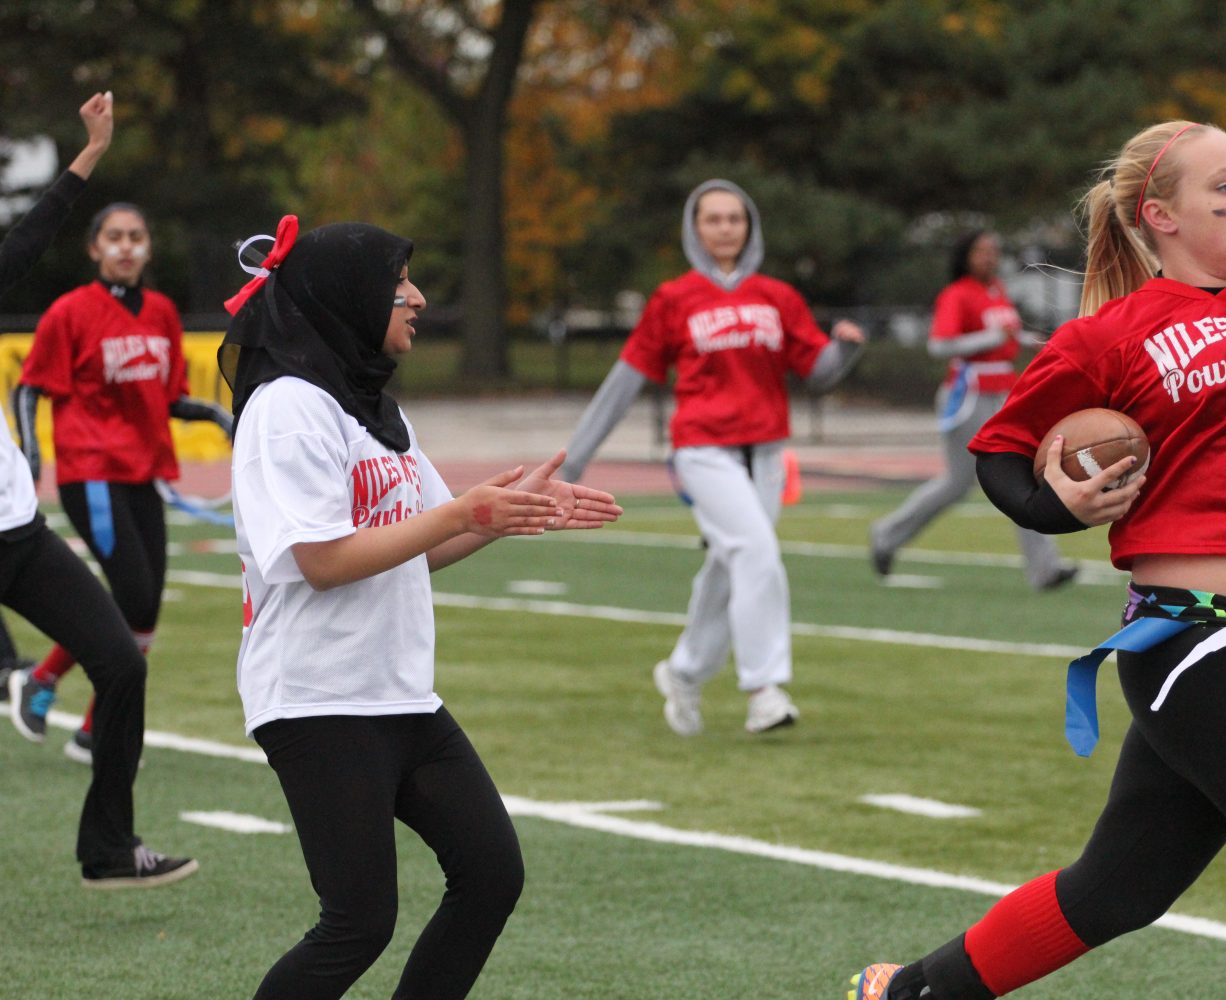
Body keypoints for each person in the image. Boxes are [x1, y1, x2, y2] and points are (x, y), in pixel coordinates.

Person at [848, 121, 1226, 1000]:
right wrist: (1055, 507)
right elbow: (1000, 450)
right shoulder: (1112, 336)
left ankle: (915, 993)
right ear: (1161, 215)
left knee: (1118, 887)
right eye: (1221, 188)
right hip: (1199, 639)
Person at [220, 215, 621, 999]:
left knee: (491, 874)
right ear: (348, 296)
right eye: (398, 284)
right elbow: (322, 561)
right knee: (358, 922)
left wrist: (512, 511)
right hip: (317, 698)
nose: (417, 298)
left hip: (399, 693)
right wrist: (462, 512)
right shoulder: (287, 408)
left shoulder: (373, 406)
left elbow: (428, 540)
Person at [559, 179, 865, 736]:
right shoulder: (674, 299)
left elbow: (817, 370)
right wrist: (575, 459)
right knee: (754, 549)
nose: (725, 228)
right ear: (693, 229)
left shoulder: (778, 296)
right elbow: (624, 384)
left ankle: (684, 671)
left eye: (735, 219)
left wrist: (843, 349)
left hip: (767, 451)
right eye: (713, 219)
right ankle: (764, 689)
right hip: (701, 450)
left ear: (749, 227)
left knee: (732, 565)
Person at [0, 92, 196, 888]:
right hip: (74, 484)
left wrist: (89, 153)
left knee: (120, 662)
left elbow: (32, 233)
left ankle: (108, 850)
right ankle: (20, 678)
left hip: (18, 530)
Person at [9, 200, 231, 765]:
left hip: (144, 471)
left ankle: (54, 690)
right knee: (131, 594)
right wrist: (34, 456)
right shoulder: (70, 312)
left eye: (136, 235)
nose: (127, 245)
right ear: (95, 247)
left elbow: (169, 396)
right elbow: (29, 387)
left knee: (145, 607)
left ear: (148, 247)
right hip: (91, 474)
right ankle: (92, 724)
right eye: (115, 236)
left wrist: (217, 416)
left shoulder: (159, 311)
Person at [868, 231, 1074, 589]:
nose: (989, 257)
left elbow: (1005, 338)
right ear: (965, 255)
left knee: (1018, 473)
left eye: (994, 251)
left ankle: (1045, 568)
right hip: (968, 394)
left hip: (1003, 391)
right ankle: (886, 535)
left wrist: (1037, 340)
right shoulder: (957, 294)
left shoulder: (995, 290)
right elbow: (939, 345)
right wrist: (989, 340)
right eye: (981, 251)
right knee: (962, 482)